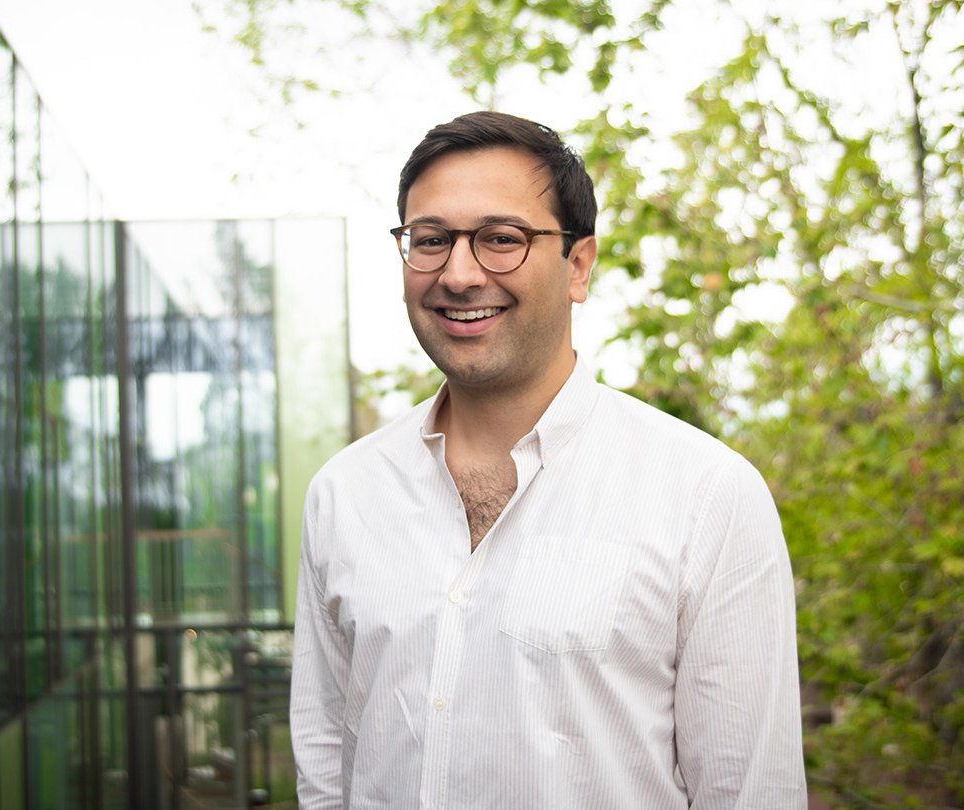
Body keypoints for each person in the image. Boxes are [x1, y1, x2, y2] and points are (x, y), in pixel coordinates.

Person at [290, 110, 806, 809]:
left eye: (501, 239)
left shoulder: (706, 494)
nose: (460, 273)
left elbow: (749, 791)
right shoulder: (345, 493)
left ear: (579, 266)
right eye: (432, 240)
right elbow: (326, 762)